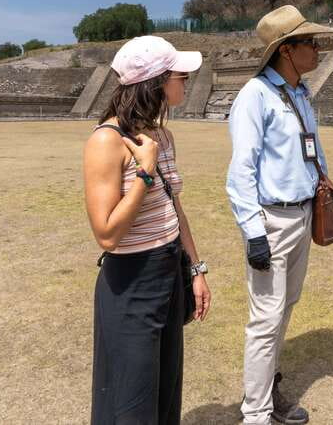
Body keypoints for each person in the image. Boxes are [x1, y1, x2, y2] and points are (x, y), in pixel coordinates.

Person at [84, 35, 212, 424]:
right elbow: (107, 234)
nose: (186, 81)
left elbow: (175, 208)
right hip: (131, 283)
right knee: (132, 402)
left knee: (166, 390)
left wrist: (196, 269)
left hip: (169, 271)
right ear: (156, 82)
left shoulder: (161, 136)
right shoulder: (106, 141)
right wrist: (144, 171)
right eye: (180, 75)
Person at [226, 5, 333, 425]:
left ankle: (267, 390)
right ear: (286, 50)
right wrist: (254, 233)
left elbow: (311, 145)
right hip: (272, 220)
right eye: (311, 42)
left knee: (285, 306)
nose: (318, 49)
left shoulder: (299, 93)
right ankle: (255, 414)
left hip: (303, 213)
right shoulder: (255, 95)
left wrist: (323, 179)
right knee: (265, 318)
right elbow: (241, 170)